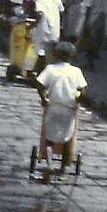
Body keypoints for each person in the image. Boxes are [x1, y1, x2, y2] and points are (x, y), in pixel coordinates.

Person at [35, 42, 87, 184]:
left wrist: (44, 98)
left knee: (49, 139)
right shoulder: (76, 71)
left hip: (53, 106)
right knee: (67, 139)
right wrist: (77, 101)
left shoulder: (50, 69)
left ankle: (50, 165)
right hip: (69, 109)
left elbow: (39, 84)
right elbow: (83, 90)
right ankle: (63, 171)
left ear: (57, 54)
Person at [31, 0, 64, 75]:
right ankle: (45, 72)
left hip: (43, 29)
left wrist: (33, 25)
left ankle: (38, 72)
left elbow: (39, 13)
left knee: (41, 52)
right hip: (55, 29)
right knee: (50, 52)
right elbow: (62, 11)